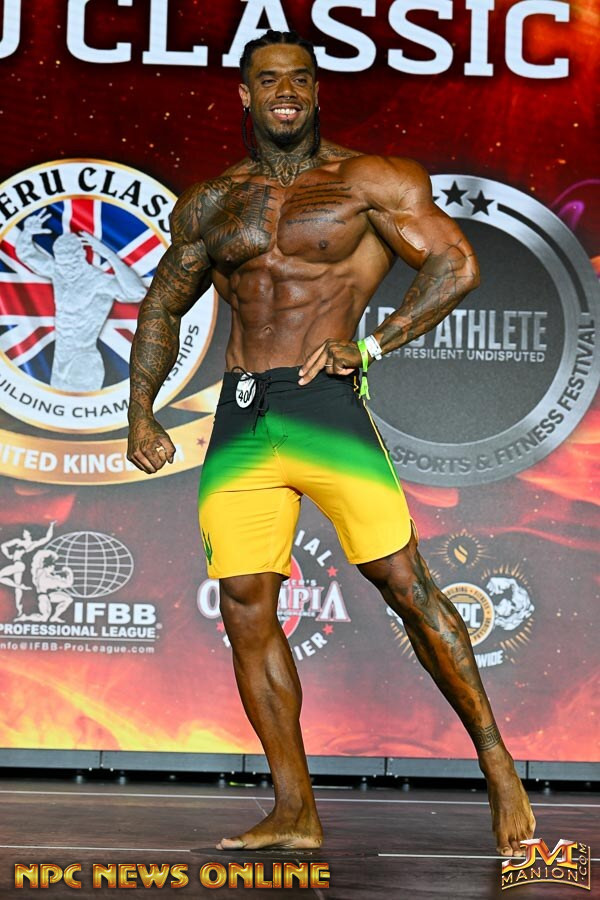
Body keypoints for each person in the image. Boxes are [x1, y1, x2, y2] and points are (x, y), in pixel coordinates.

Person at [127, 29, 536, 856]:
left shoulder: (369, 182)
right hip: (243, 417)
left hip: (323, 405)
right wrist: (141, 411)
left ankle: (498, 765)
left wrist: (374, 345)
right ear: (244, 94)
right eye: (268, 79)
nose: (285, 91)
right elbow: (164, 302)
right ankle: (294, 810)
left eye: (300, 79)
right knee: (245, 605)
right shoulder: (211, 202)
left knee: (407, 586)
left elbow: (456, 264)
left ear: (317, 92)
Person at [16, 211, 146, 391]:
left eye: (71, 263)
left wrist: (110, 256)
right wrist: (27, 233)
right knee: (59, 406)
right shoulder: (58, 271)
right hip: (61, 359)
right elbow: (27, 255)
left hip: (83, 359)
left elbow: (137, 292)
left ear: (81, 255)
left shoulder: (98, 281)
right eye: (62, 263)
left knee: (80, 405)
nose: (66, 269)